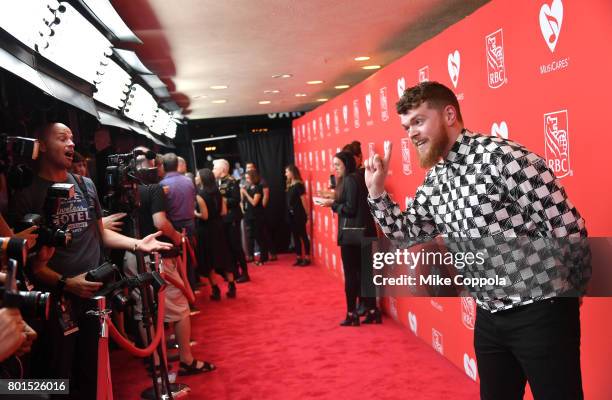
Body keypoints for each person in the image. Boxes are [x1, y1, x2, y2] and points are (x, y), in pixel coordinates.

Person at [364, 81, 590, 399]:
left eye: (418, 121)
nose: (411, 133)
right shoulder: (435, 180)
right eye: (406, 126)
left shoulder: (504, 158)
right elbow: (406, 236)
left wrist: (572, 291)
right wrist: (376, 193)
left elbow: (567, 227)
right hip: (489, 318)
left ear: (449, 114)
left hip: (541, 312)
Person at [9, 122, 172, 399]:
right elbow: (26, 261)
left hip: (94, 297)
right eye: (63, 138)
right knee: (58, 380)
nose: (71, 144)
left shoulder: (85, 185)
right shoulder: (27, 194)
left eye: (73, 138)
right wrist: (66, 283)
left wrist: (137, 244)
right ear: (42, 144)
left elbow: (100, 234)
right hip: (55, 302)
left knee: (91, 374)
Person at [123, 147, 215, 376]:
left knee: (143, 309)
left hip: (130, 254)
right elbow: (160, 222)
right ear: (152, 165)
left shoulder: (122, 191)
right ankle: (186, 360)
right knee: (179, 306)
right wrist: (177, 238)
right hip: (157, 254)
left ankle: (155, 361)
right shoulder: (154, 189)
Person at [320, 151, 377, 326]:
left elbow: (351, 209)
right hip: (363, 232)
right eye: (334, 165)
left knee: (352, 276)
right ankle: (372, 311)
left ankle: (352, 314)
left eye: (337, 165)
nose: (334, 168)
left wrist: (333, 205)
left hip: (353, 234)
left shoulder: (351, 180)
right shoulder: (357, 177)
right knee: (364, 275)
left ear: (347, 164)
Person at [195, 168, 239, 296]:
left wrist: (194, 213)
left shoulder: (200, 195)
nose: (196, 178)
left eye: (197, 176)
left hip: (206, 230)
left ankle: (215, 290)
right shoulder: (219, 193)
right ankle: (232, 287)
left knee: (209, 261)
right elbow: (224, 212)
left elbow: (205, 216)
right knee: (224, 257)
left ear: (203, 179)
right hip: (219, 228)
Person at [160, 153, 198, 292]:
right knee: (189, 260)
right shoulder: (188, 181)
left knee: (176, 263)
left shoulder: (162, 185)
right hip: (190, 224)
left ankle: (184, 294)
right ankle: (192, 291)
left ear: (163, 166)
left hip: (173, 227)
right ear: (177, 165)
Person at [213, 159, 249, 282]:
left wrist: (221, 200)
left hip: (232, 217)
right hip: (223, 219)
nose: (213, 171)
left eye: (215, 168)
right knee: (228, 247)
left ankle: (245, 273)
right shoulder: (217, 182)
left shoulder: (232, 181)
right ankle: (234, 272)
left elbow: (236, 199)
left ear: (222, 169)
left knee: (236, 246)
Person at [245, 162, 276, 261]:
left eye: (250, 168)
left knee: (262, 234)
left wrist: (260, 208)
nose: (248, 169)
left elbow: (261, 199)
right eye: (247, 168)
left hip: (258, 213)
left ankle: (268, 254)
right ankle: (252, 255)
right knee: (253, 235)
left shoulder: (260, 184)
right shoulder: (248, 184)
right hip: (250, 214)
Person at [241, 170, 269, 266]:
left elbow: (254, 202)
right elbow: (243, 201)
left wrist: (246, 193)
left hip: (257, 215)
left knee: (260, 237)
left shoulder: (258, 187)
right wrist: (243, 193)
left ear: (253, 177)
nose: (247, 180)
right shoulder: (249, 187)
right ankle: (262, 257)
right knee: (255, 236)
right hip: (250, 215)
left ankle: (263, 258)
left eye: (248, 178)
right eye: (246, 178)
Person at [284, 164, 310, 266]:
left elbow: (304, 200)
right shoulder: (290, 185)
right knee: (295, 236)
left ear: (291, 172)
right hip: (291, 215)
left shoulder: (299, 185)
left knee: (303, 235)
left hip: (299, 214)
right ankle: (299, 257)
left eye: (286, 172)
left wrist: (307, 214)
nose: (285, 174)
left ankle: (307, 257)